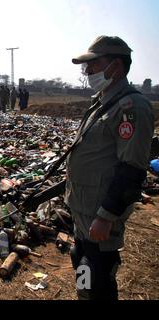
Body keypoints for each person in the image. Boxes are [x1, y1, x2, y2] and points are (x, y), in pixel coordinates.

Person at [66, 35, 154, 300]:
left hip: (99, 210)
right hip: (83, 205)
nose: (87, 71)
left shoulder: (131, 107)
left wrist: (106, 216)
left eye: (93, 65)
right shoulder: (103, 101)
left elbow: (132, 169)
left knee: (99, 273)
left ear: (115, 66)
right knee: (82, 262)